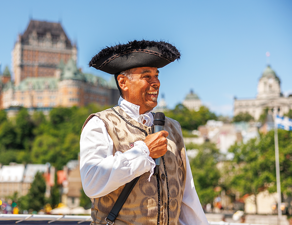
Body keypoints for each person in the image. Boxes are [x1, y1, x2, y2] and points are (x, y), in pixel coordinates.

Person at [80, 40, 209, 225]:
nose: (156, 82)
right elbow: (92, 181)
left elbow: (187, 198)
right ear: (123, 82)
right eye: (146, 76)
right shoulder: (100, 124)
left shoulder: (173, 128)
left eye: (156, 75)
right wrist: (143, 151)